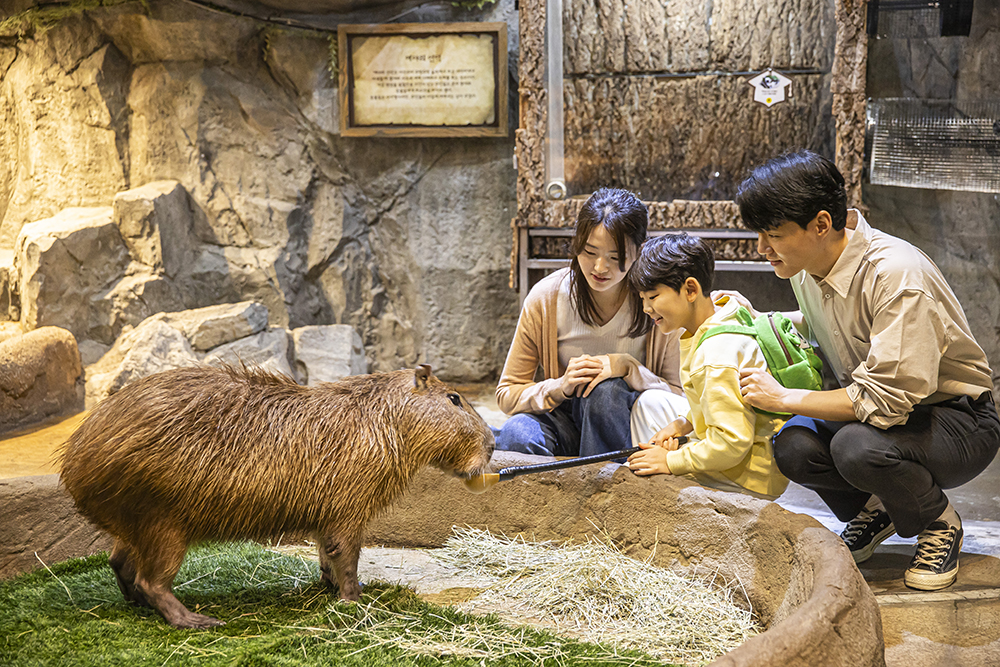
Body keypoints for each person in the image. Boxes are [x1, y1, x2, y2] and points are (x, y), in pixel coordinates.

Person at [732, 149, 999, 591]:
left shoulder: (896, 276)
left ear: (821, 224)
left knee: (856, 447)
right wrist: (753, 319)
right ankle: (882, 508)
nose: (761, 248)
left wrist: (783, 397)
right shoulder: (806, 266)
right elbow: (827, 325)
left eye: (773, 234)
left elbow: (883, 402)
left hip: (960, 421)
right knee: (792, 444)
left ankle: (939, 522)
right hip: (891, 414)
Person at [494, 187, 687, 458]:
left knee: (606, 394)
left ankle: (606, 490)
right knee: (516, 436)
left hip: (627, 425)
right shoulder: (547, 298)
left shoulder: (657, 301)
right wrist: (561, 385)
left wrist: (628, 368)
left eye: (615, 257)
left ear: (638, 250)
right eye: (589, 251)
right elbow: (507, 393)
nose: (599, 268)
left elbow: (679, 396)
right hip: (562, 418)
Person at [626, 233, 789, 500]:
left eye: (653, 296)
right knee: (649, 404)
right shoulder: (720, 314)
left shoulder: (715, 354)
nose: (646, 308)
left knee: (637, 474)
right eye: (643, 298)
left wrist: (670, 461)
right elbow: (719, 400)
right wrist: (683, 424)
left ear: (690, 290)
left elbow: (730, 443)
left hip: (746, 477)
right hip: (744, 456)